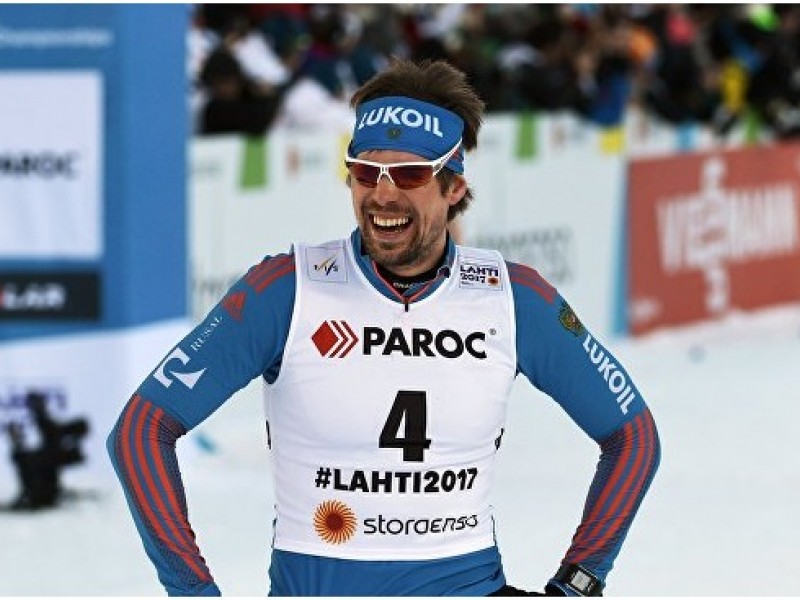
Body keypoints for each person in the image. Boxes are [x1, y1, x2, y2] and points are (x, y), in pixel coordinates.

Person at [108, 58, 660, 596]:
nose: (383, 194)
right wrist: (193, 591)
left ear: (454, 188)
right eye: (365, 172)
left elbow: (633, 437)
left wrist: (578, 584)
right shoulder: (286, 290)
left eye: (411, 174)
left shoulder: (513, 298)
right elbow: (140, 432)